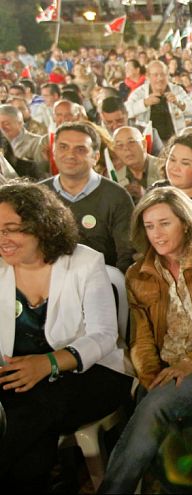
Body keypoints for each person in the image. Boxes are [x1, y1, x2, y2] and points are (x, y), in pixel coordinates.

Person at [99, 187, 192, 492]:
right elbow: (141, 340)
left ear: (186, 223)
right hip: (164, 371)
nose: (156, 234)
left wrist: (191, 363)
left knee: (153, 409)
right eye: (149, 226)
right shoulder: (138, 274)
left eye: (165, 223)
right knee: (159, 418)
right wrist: (151, 377)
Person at [0, 181, 132, 491]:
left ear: (41, 225)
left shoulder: (85, 262)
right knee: (30, 435)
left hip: (91, 372)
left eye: (11, 229)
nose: (2, 239)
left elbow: (104, 336)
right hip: (18, 378)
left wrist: (49, 364)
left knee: (28, 411)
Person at [40, 122, 135, 272]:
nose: (70, 155)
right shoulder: (39, 195)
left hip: (104, 283)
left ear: (95, 157)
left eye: (80, 149)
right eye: (63, 147)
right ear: (53, 152)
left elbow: (127, 255)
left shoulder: (117, 196)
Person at [126, 61, 192, 142]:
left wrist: (179, 103)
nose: (160, 78)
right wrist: (145, 103)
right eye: (155, 75)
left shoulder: (177, 90)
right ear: (148, 77)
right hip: (148, 141)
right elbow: (126, 111)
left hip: (175, 139)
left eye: (163, 74)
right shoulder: (139, 93)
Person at [111, 126, 160, 203]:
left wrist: (146, 196)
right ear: (115, 151)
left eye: (131, 142)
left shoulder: (164, 168)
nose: (126, 148)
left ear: (144, 144)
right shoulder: (114, 177)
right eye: (120, 145)